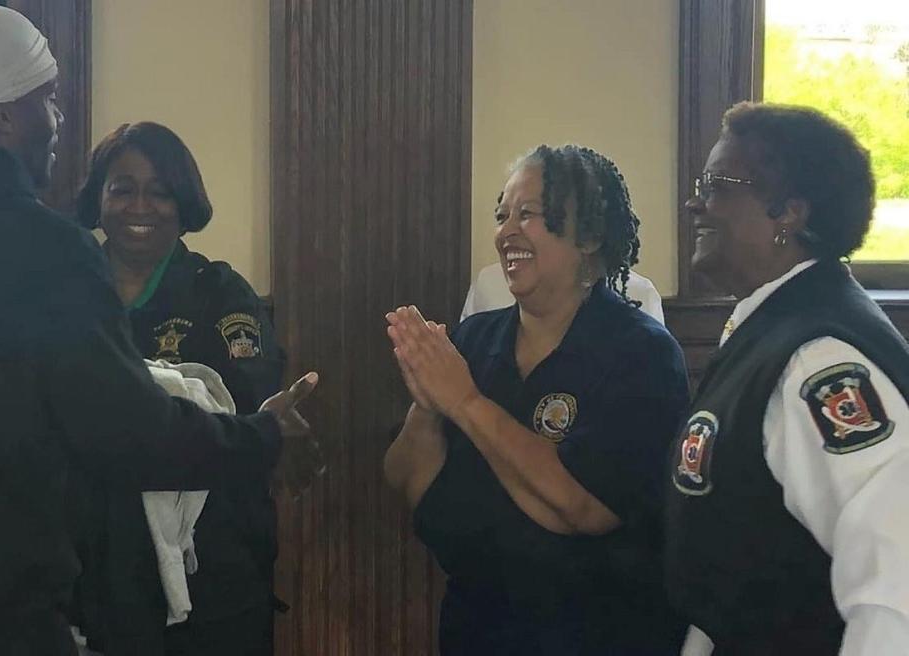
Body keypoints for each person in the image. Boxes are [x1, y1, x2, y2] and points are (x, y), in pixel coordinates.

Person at [0, 3, 319, 653]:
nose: (56, 118)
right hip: (5, 610)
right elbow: (129, 430)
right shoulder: (43, 251)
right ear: (3, 114)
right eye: (49, 99)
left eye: (160, 192)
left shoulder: (214, 291)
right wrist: (265, 436)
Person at [384, 144, 690, 654]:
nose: (507, 232)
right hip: (475, 626)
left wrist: (463, 401)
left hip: (596, 632)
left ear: (590, 237)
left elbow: (582, 509)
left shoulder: (641, 353)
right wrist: (425, 407)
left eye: (529, 215)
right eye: (503, 214)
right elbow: (404, 480)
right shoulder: (475, 340)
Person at [665, 101, 909, 656]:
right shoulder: (770, 328)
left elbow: (896, 574)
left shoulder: (819, 361)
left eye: (718, 185)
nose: (695, 202)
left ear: (788, 213)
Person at [70, 123, 290, 655]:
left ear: (182, 201)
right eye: (122, 188)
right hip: (90, 567)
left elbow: (243, 414)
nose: (138, 205)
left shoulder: (218, 293)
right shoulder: (65, 290)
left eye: (159, 190)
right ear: (98, 200)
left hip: (212, 572)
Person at [461, 261, 665, 324]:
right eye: (502, 216)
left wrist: (469, 403)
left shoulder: (638, 294)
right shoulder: (490, 282)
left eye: (529, 214)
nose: (510, 229)